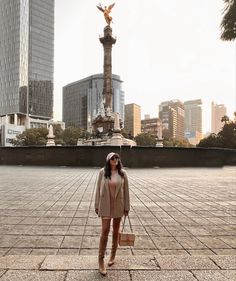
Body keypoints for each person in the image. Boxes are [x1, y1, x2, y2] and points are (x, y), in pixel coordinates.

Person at [95, 152, 130, 275]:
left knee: (116, 231)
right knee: (104, 231)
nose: (115, 159)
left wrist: (127, 207)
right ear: (108, 160)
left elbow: (126, 192)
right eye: (112, 158)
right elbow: (98, 189)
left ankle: (113, 256)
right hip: (105, 205)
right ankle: (101, 260)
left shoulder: (123, 173)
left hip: (118, 206)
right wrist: (96, 205)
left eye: (117, 158)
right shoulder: (102, 172)